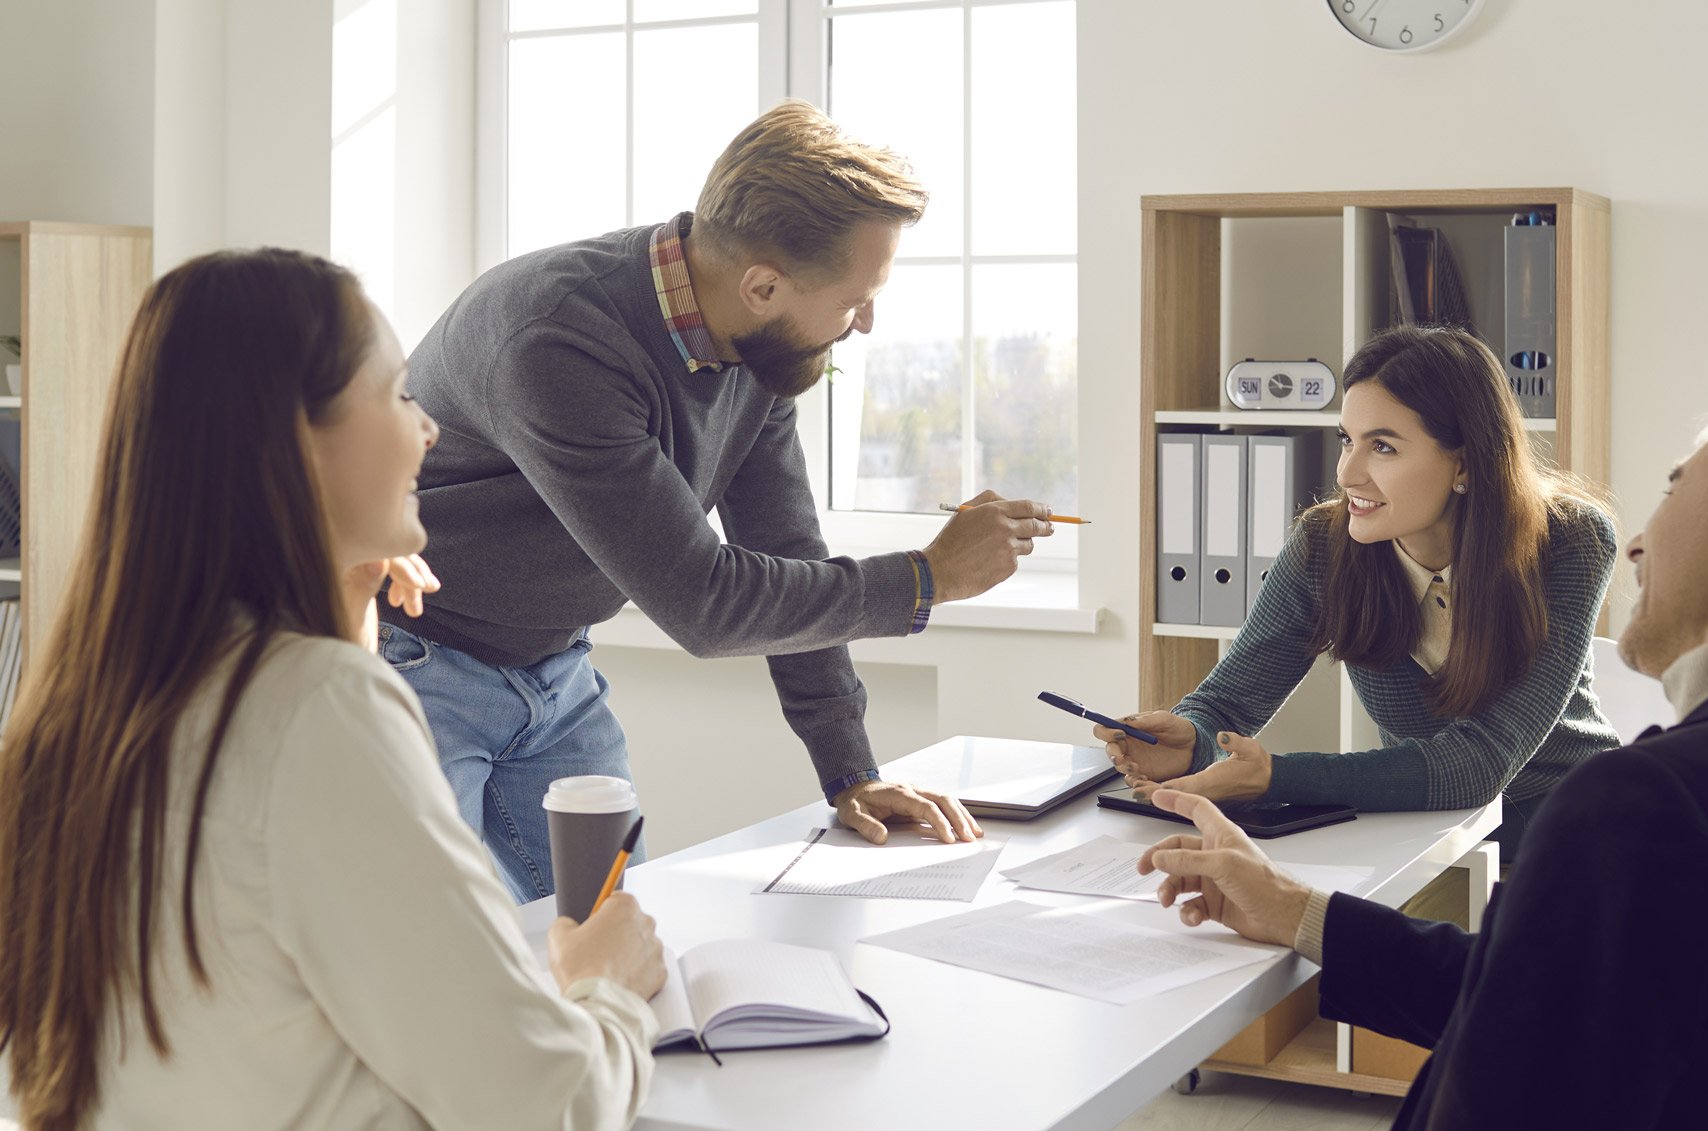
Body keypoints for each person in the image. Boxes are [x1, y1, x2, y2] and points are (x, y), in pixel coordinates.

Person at [1136, 395, 1708, 1130]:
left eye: (1677, 483)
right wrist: (1293, 909)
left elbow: (1504, 1079)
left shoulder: (1647, 807)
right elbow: (1539, 998)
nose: (1640, 543)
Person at [0, 250, 668, 1129]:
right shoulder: (317, 708)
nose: (428, 428)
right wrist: (605, 985)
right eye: (397, 393)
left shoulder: (85, 707)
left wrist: (341, 601)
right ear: (296, 439)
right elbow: (544, 1103)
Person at [385, 99, 1052, 901]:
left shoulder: (756, 344)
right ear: (763, 284)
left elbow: (784, 553)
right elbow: (705, 602)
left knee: (604, 938)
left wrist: (849, 769)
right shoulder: (558, 339)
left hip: (553, 670)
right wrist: (926, 577)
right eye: (854, 299)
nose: (866, 323)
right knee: (440, 951)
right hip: (420, 666)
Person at [1103, 325, 1619, 858]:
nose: (1348, 474)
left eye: (1383, 447)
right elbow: (1229, 701)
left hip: (1577, 832)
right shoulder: (1324, 547)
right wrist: (1192, 740)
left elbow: (1479, 765)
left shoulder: (1570, 539)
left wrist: (1273, 778)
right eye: (1347, 440)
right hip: (1425, 838)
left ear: (1464, 462)